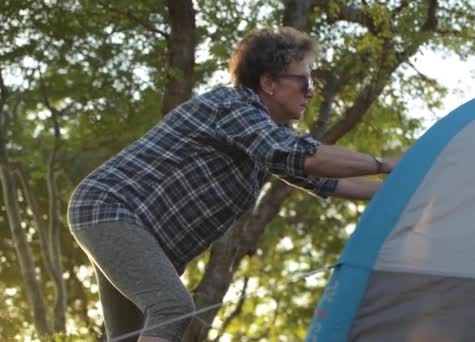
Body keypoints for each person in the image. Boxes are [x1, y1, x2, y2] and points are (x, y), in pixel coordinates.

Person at [68, 26, 399, 342]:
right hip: (111, 209)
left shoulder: (267, 135)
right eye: (304, 81)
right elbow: (303, 156)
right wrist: (383, 164)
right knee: (171, 307)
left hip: (136, 232)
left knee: (132, 334)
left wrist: (408, 187)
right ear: (269, 82)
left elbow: (327, 181)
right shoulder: (235, 107)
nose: (311, 91)